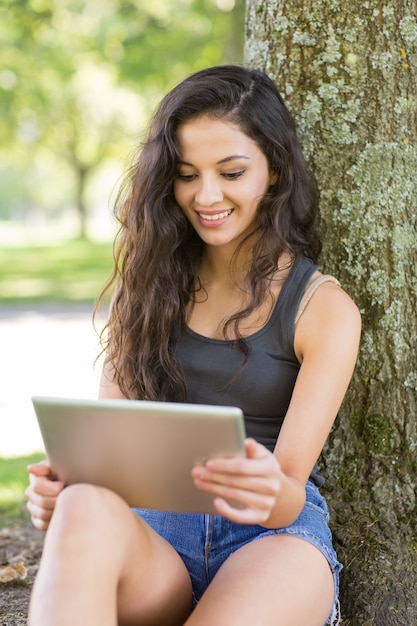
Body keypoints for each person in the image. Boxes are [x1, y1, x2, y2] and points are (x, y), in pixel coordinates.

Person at [25, 65, 361, 626]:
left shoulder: (322, 309)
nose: (206, 195)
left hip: (271, 540)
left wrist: (260, 486)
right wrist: (64, 492)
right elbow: (110, 457)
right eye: (186, 174)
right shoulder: (147, 290)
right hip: (157, 539)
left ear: (273, 171)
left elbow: (288, 493)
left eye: (231, 172)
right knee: (83, 504)